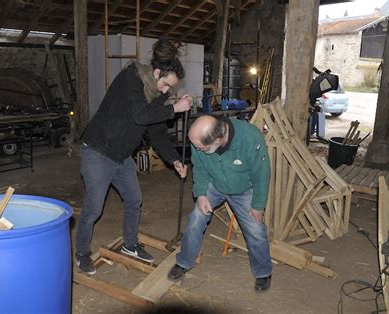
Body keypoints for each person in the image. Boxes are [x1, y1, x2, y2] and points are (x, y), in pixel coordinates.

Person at [75, 38, 191, 275]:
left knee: (133, 199)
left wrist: (175, 159)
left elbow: (156, 131)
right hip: (98, 151)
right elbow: (140, 114)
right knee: (93, 208)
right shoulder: (132, 77)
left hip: (121, 155)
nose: (166, 91)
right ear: (157, 72)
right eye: (167, 85)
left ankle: (130, 245)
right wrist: (174, 109)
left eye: (170, 88)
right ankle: (81, 253)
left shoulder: (156, 94)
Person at [167, 115, 273, 292]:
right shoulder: (199, 141)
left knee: (255, 229)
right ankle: (185, 261)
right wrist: (200, 194)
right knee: (196, 219)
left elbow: (262, 173)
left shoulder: (249, 138)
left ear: (217, 139)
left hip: (244, 189)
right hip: (215, 184)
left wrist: (258, 205)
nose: (197, 149)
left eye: (201, 148)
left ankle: (263, 272)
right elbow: (199, 167)